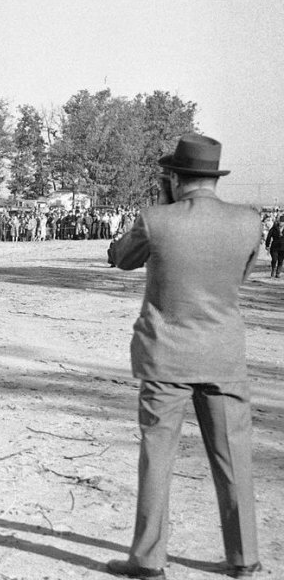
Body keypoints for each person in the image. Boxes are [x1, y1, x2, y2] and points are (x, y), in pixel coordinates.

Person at [106, 134, 262, 579]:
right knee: (234, 457)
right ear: (214, 177)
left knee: (157, 457)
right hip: (223, 356)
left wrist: (162, 208)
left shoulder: (156, 220)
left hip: (166, 357)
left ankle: (148, 560)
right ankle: (244, 558)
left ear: (174, 178)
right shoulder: (248, 221)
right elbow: (241, 277)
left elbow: (122, 258)